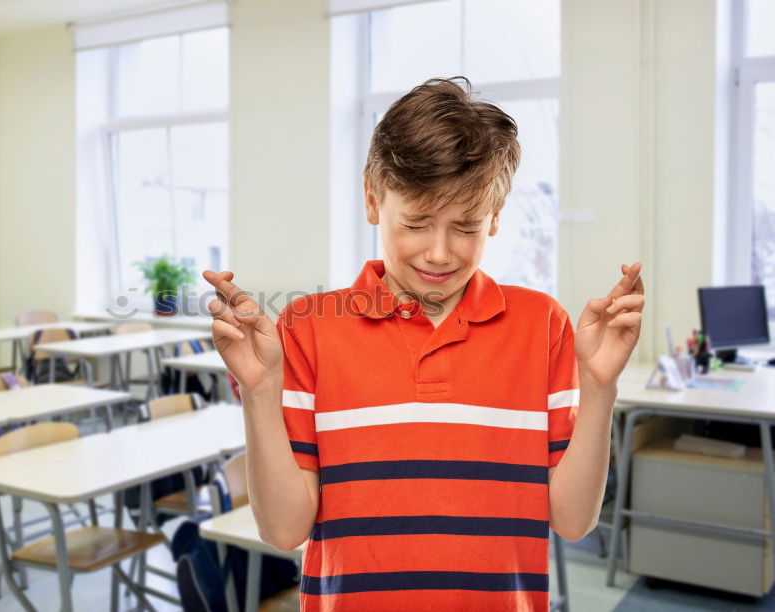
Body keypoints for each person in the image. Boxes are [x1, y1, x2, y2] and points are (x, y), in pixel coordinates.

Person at [203, 76, 644, 611]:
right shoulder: (309, 327)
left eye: (466, 227)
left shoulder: (541, 325)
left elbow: (574, 521)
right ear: (373, 198)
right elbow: (283, 530)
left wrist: (599, 388)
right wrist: (259, 390)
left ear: (497, 217)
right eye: (416, 223)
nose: (439, 253)